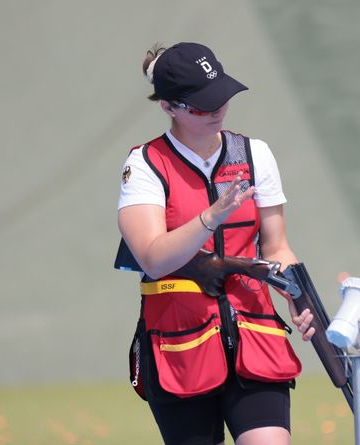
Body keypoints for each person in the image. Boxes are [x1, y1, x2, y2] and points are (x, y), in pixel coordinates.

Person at [116, 42, 315, 445]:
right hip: (179, 345)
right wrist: (210, 218)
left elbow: (276, 247)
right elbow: (153, 259)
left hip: (256, 336)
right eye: (202, 105)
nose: (218, 110)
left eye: (221, 97)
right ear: (169, 107)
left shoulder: (255, 154)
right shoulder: (144, 164)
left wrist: (300, 296)